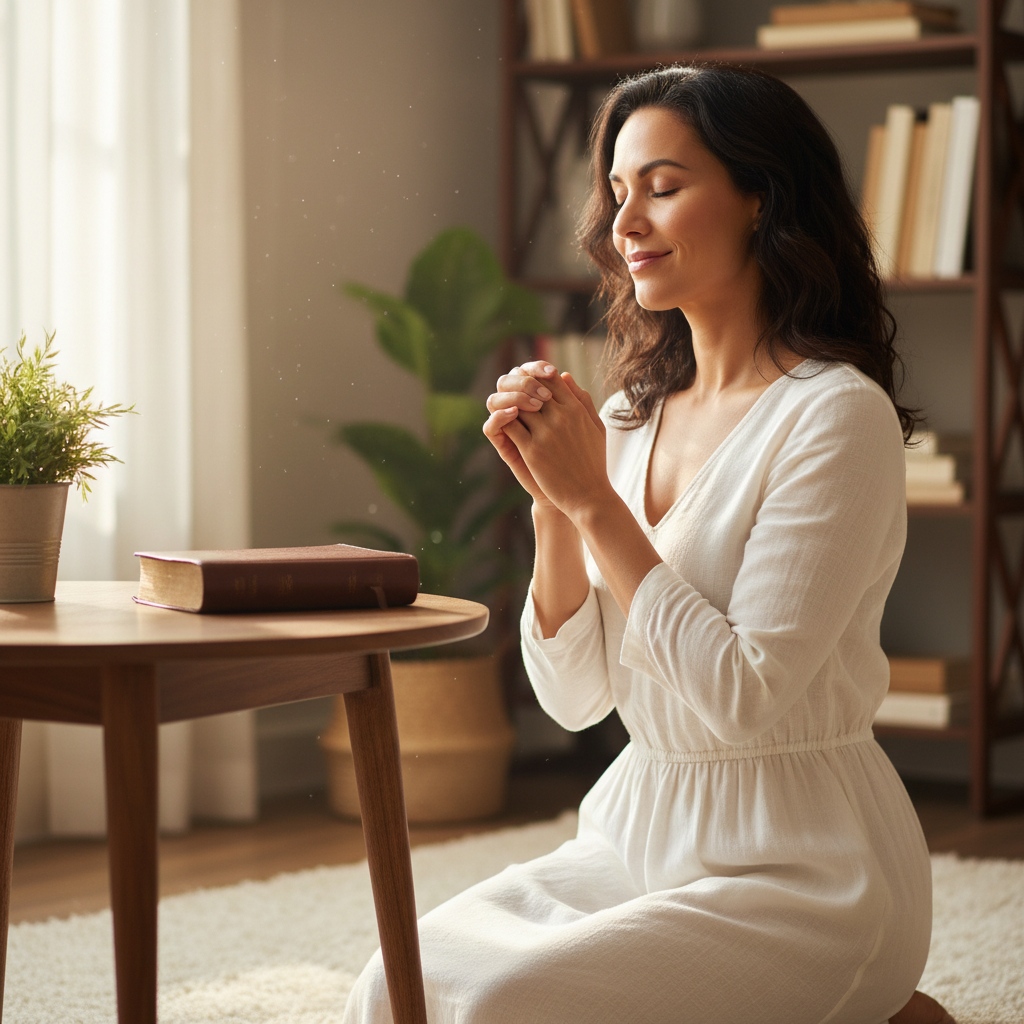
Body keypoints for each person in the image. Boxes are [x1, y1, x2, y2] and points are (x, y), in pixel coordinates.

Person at [343, 64, 956, 1024]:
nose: (625, 222)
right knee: (393, 988)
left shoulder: (837, 417)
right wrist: (552, 502)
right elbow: (577, 696)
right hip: (635, 837)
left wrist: (594, 506)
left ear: (762, 199)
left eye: (663, 188)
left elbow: (745, 699)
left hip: (806, 867)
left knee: (503, 1005)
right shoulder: (629, 416)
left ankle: (876, 1000)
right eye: (619, 193)